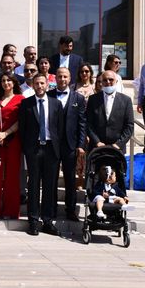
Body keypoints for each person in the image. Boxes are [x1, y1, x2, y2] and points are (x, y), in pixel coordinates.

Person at [19, 73, 64, 236]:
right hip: (34, 149)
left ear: (47, 85)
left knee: (49, 186)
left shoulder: (56, 103)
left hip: (51, 149)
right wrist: (27, 149)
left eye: (42, 83)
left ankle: (47, 220)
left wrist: (58, 150)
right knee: (33, 186)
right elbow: (23, 129)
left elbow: (60, 128)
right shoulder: (26, 104)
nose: (39, 86)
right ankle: (33, 220)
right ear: (33, 85)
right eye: (36, 83)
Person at [48, 67, 86, 221]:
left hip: (70, 145)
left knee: (70, 179)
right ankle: (51, 209)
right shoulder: (48, 95)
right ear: (55, 78)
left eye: (65, 76)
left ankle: (71, 210)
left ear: (70, 79)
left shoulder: (79, 98)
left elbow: (82, 123)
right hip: (52, 144)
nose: (62, 79)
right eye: (59, 76)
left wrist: (81, 144)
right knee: (51, 179)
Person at [0, 73, 24, 219]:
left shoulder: (21, 99)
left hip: (14, 141)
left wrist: (6, 133)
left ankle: (10, 211)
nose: (6, 83)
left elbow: (23, 119)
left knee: (12, 177)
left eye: (9, 80)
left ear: (14, 83)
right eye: (3, 80)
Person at [86, 70, 134, 153]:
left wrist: (119, 143)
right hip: (97, 148)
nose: (108, 82)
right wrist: (97, 141)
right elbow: (88, 123)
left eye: (111, 79)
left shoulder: (126, 100)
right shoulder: (93, 99)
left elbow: (129, 126)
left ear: (116, 81)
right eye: (105, 80)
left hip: (117, 149)